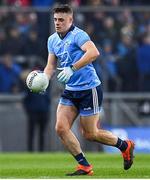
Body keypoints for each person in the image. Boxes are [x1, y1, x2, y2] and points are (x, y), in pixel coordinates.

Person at [43, 4, 135, 176]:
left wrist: (72, 68)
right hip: (70, 90)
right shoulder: (52, 40)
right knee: (61, 128)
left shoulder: (79, 35)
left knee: (90, 134)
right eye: (55, 19)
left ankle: (125, 145)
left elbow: (94, 53)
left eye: (61, 20)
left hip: (89, 89)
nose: (57, 23)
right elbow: (50, 66)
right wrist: (44, 80)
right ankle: (84, 166)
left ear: (70, 20)